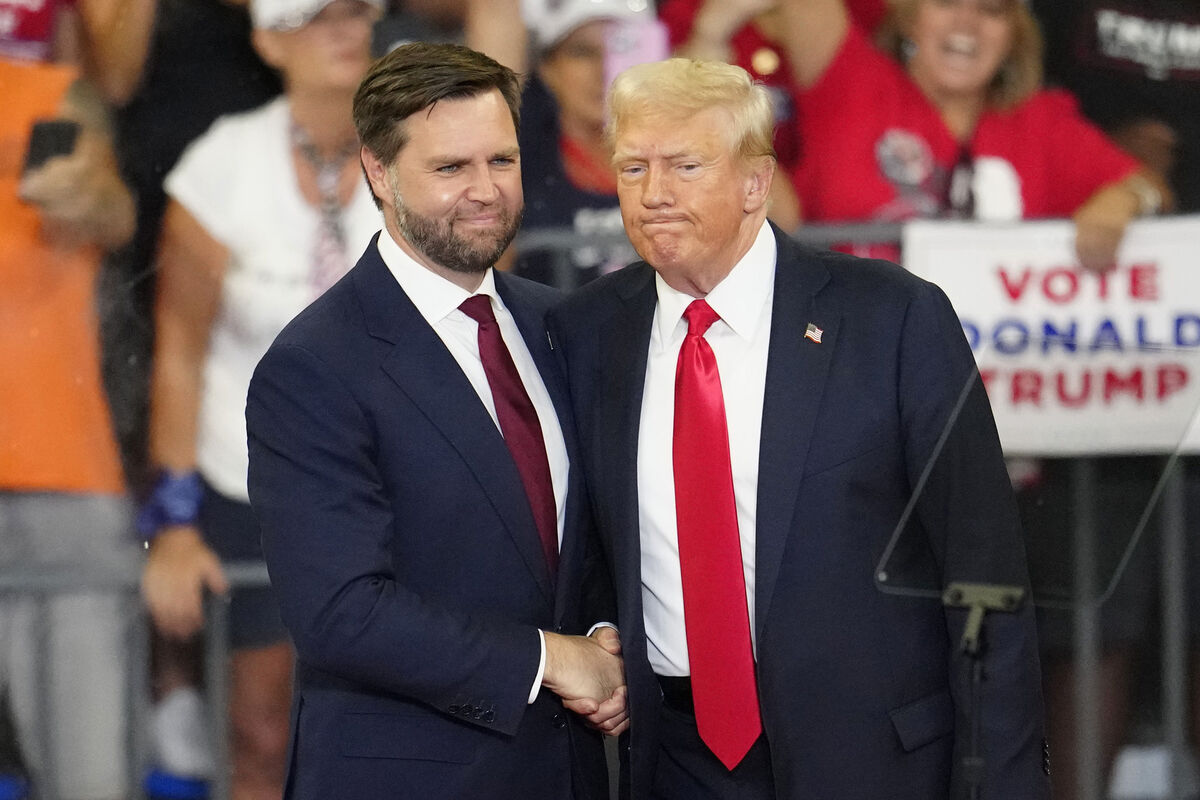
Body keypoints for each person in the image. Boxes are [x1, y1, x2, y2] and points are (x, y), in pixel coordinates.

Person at [547, 57, 1050, 799]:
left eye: (686, 166)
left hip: (876, 762)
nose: (654, 195)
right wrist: (596, 636)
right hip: (677, 764)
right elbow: (586, 541)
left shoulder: (893, 318)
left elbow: (984, 574)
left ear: (756, 182)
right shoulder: (587, 333)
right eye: (632, 168)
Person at [245, 42, 625, 797]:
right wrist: (550, 659)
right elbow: (341, 611)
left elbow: (585, 536)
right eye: (451, 168)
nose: (485, 191)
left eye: (503, 161)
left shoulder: (560, 328)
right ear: (378, 173)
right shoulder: (315, 365)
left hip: (566, 775)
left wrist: (604, 634)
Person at [136, 0, 382, 795]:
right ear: (267, 40)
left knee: (400, 724)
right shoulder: (222, 163)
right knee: (261, 729)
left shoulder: (419, 144)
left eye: (357, 12)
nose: (345, 30)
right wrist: (174, 521)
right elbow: (178, 352)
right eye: (317, 17)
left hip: (395, 481)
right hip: (252, 480)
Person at [776, 0, 1169, 270]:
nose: (966, 23)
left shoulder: (1039, 122)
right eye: (946, 2)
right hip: (846, 359)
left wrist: (1122, 200)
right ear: (911, 18)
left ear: (1013, 35)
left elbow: (1148, 185)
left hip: (990, 377)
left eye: (991, 8)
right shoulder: (850, 83)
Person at [0, 56, 138, 800]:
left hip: (57, 472)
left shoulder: (43, 96)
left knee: (89, 782)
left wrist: (82, 187)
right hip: (61, 487)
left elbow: (106, 207)